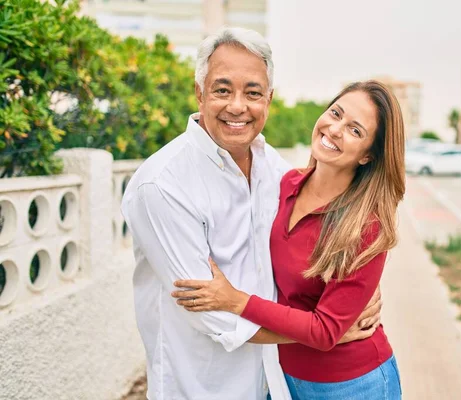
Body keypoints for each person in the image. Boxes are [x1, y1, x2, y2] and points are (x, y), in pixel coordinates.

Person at [121, 28, 381, 400]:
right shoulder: (163, 186)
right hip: (202, 386)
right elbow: (211, 315)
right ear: (199, 92)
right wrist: (330, 329)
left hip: (272, 382)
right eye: (222, 90)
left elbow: (308, 247)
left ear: (269, 100)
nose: (238, 106)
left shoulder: (273, 169)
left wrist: (352, 292)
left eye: (253, 93)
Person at [171, 80, 405, 399]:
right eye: (335, 113)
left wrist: (235, 300)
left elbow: (324, 332)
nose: (335, 129)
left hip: (352, 385)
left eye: (355, 130)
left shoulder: (365, 226)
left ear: (368, 156)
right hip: (282, 378)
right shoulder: (285, 185)